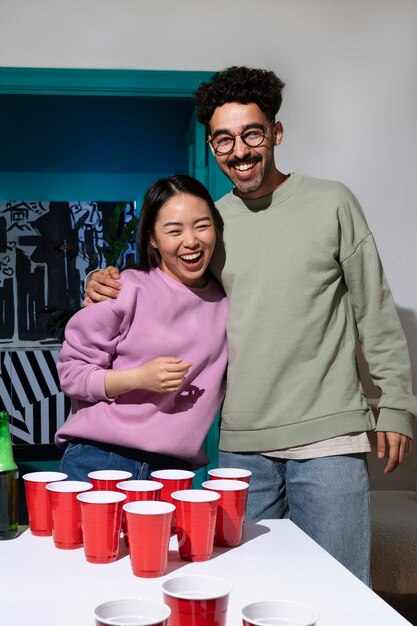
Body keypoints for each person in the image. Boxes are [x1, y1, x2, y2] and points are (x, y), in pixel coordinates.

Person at [84, 66, 416, 585]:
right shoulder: (209, 225)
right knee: (247, 591)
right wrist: (104, 283)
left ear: (276, 133)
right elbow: (164, 292)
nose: (239, 151)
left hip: (328, 439)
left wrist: (396, 403)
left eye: (252, 134)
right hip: (241, 447)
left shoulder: (332, 202)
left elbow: (373, 308)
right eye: (224, 140)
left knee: (339, 593)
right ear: (213, 147)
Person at [55, 174, 228, 482]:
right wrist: (138, 378)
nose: (191, 241)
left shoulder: (227, 301)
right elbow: (71, 374)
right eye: (174, 230)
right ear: (152, 238)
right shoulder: (123, 289)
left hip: (173, 470)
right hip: (99, 458)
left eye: (202, 225)